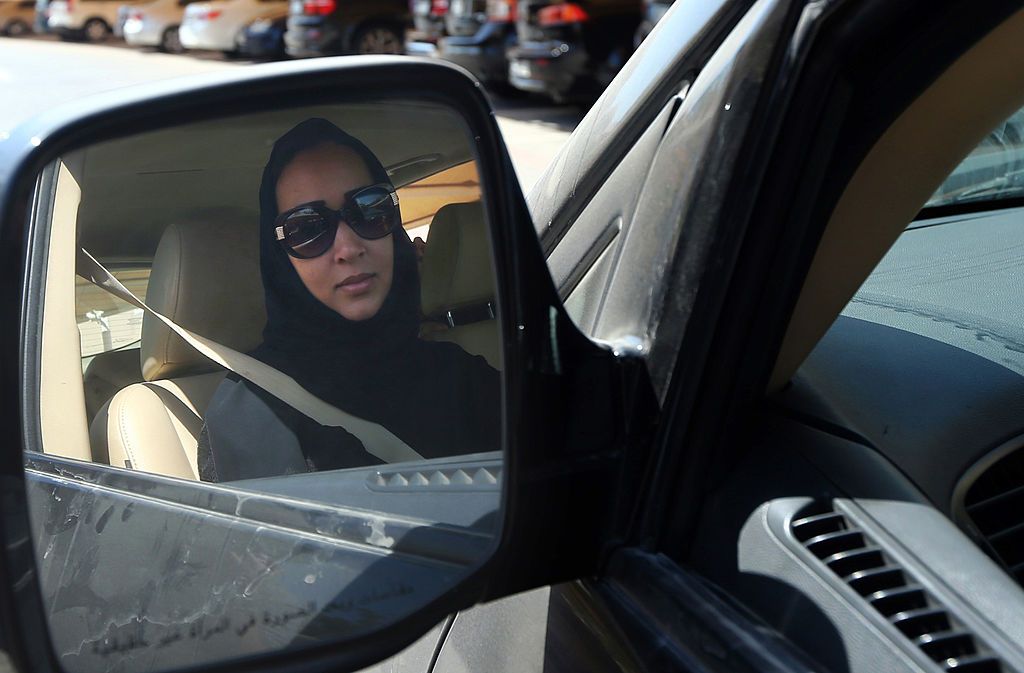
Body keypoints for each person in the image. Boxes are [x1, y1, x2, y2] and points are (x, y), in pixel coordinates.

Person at [197, 118, 501, 482]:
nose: (349, 248)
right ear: (280, 260)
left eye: (370, 210)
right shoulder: (253, 409)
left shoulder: (462, 376)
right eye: (307, 229)